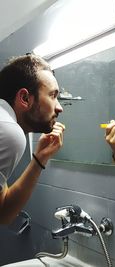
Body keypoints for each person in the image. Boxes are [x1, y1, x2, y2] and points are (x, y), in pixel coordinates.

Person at [0, 54, 65, 224]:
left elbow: (2, 212)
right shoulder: (8, 131)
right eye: (53, 95)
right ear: (25, 98)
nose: (60, 108)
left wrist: (39, 158)